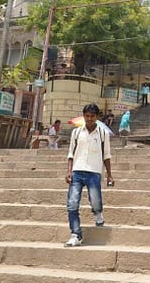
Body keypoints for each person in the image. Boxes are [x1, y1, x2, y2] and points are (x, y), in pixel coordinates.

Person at [64, 103, 113, 247]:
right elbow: (71, 154)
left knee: (96, 201)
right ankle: (76, 234)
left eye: (92, 116)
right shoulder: (76, 133)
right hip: (77, 171)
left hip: (94, 172)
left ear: (97, 117)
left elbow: (107, 155)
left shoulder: (103, 134)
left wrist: (110, 175)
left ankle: (98, 214)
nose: (89, 119)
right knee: (72, 204)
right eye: (87, 116)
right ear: (84, 116)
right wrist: (68, 171)